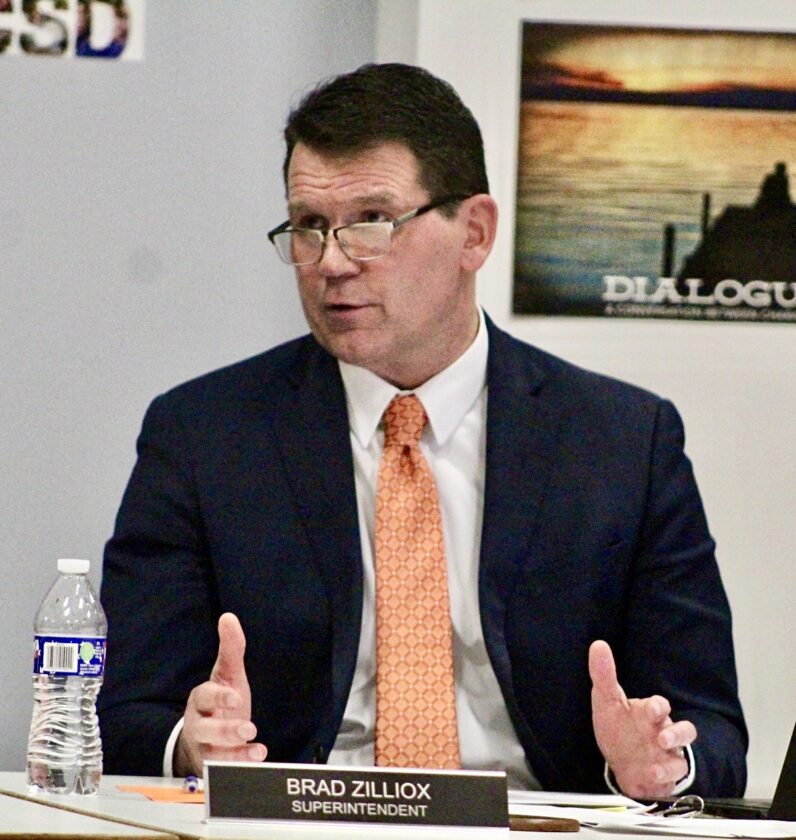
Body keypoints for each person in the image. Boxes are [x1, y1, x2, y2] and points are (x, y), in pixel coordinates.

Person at [97, 63, 747, 797]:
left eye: (371, 222)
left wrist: (657, 763)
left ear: (475, 233)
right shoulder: (204, 436)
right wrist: (191, 744)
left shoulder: (623, 443)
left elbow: (712, 728)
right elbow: (123, 712)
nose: (331, 262)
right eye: (308, 226)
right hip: (295, 822)